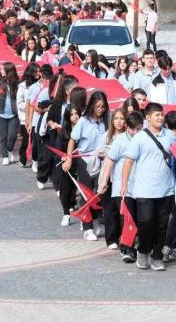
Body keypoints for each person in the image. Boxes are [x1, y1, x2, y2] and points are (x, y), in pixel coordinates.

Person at [120, 102, 176, 271]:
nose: (160, 117)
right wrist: (124, 184)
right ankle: (143, 251)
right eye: (157, 115)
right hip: (144, 190)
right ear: (148, 118)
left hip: (166, 189)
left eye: (162, 114)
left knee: (162, 224)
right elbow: (128, 161)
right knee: (146, 222)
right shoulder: (140, 137)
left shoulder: (170, 136)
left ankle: (157, 256)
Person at [64, 90, 110, 239]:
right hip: (85, 160)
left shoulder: (106, 120)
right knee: (86, 193)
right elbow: (73, 140)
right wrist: (69, 158)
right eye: (98, 106)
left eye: (103, 107)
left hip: (102, 159)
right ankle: (87, 227)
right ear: (91, 106)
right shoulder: (83, 121)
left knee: (100, 192)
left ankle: (96, 219)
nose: (100, 110)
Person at [99, 110, 144, 259]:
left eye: (139, 128)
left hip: (142, 187)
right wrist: (104, 182)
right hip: (122, 187)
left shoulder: (145, 139)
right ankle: (127, 249)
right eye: (133, 129)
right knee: (127, 218)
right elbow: (110, 161)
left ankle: (134, 245)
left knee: (140, 218)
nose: (136, 132)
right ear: (127, 127)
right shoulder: (120, 141)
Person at [0, 62, 21, 166]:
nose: (1, 71)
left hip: (14, 114)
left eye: (3, 69)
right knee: (3, 136)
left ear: (8, 71)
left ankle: (10, 150)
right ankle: (5, 155)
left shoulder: (17, 83)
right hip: (1, 113)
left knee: (12, 135)